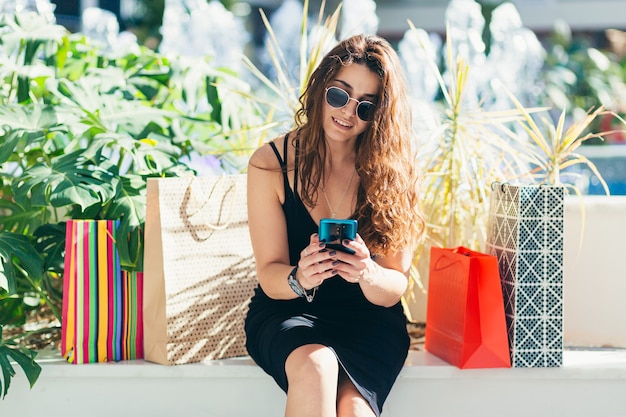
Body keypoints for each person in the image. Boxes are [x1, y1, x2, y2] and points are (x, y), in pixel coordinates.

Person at [244, 33, 425, 417]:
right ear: (320, 88)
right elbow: (269, 274)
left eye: (365, 106)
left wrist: (366, 273)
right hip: (289, 311)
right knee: (316, 366)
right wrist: (300, 277)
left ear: (380, 114)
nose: (347, 113)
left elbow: (394, 285)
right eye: (339, 95)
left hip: (370, 319)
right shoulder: (272, 164)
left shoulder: (396, 174)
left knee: (356, 412)